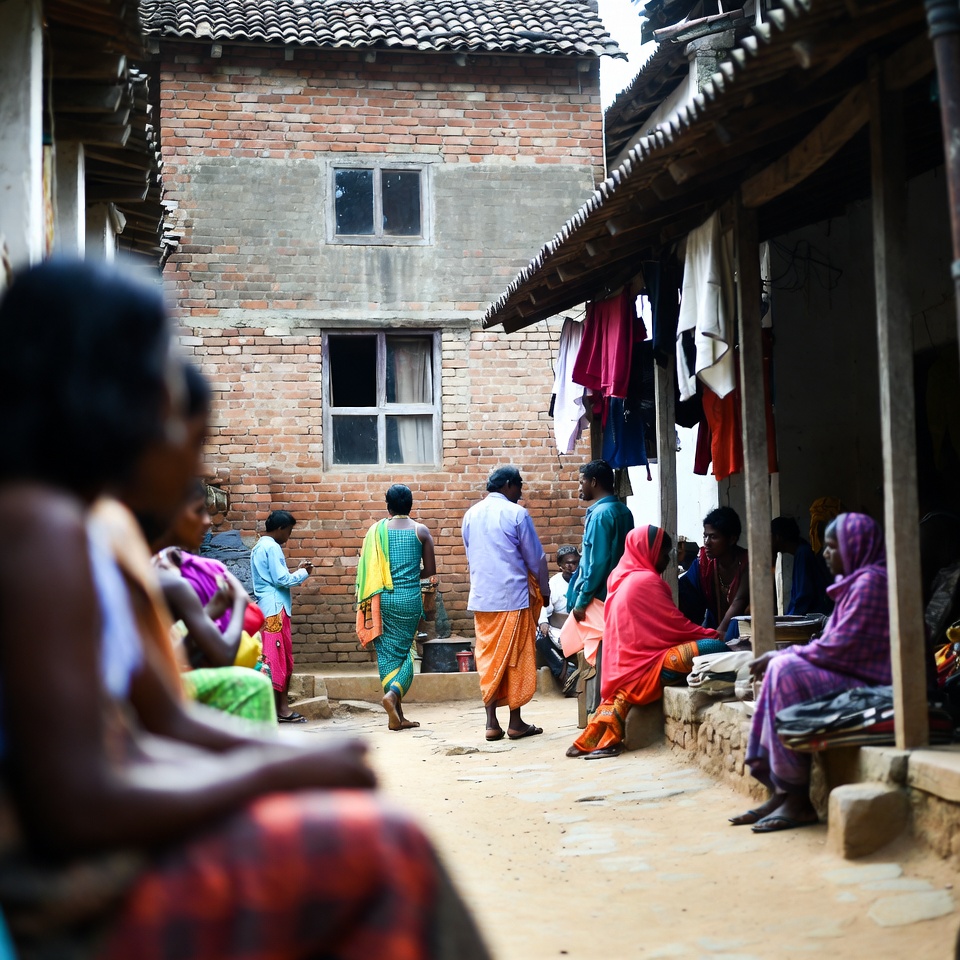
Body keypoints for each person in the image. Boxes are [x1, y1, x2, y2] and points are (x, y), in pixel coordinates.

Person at [0, 260, 489, 959]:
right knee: (391, 850)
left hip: (91, 854)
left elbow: (145, 731)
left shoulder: (69, 525)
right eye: (164, 401)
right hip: (64, 898)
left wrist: (290, 755)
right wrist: (277, 771)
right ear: (103, 394)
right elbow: (77, 802)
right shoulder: (40, 529)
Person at [732, 513, 891, 833]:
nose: (826, 554)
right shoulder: (856, 584)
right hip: (855, 675)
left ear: (856, 547)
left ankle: (798, 799)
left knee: (785, 670)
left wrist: (790, 653)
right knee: (781, 667)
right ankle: (784, 792)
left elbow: (840, 647)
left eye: (834, 547)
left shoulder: (872, 583)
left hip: (878, 684)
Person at [566, 525, 727, 758]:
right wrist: (713, 635)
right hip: (644, 668)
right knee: (715, 649)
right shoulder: (647, 581)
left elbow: (658, 631)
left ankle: (605, 729)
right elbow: (676, 627)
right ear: (650, 551)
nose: (667, 560)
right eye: (664, 553)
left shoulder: (619, 578)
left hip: (620, 670)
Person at [152, 478, 275, 723]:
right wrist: (237, 602)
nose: (208, 522)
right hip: (155, 681)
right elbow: (223, 653)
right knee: (254, 685)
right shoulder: (170, 578)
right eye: (199, 511)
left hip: (167, 670)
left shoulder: (179, 566)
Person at [462, 465, 550, 741]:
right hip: (513, 597)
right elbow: (536, 559)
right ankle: (515, 722)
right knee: (515, 659)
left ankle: (491, 723)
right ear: (509, 485)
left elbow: (470, 554)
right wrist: (544, 589)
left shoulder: (470, 515)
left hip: (482, 599)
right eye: (520, 485)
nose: (521, 492)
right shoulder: (517, 514)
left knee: (488, 659)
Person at [356, 483, 437, 731]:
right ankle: (392, 699)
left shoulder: (375, 531)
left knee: (387, 655)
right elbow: (430, 572)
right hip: (409, 600)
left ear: (388, 506)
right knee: (408, 655)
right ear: (410, 505)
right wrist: (410, 573)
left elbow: (367, 568)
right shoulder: (420, 531)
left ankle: (398, 716)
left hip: (380, 599)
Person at [250, 508, 313, 722]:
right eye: (289, 531)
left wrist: (294, 572)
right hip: (275, 610)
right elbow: (282, 580)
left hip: (270, 608)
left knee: (274, 659)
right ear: (280, 529)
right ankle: (282, 710)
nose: (289, 536)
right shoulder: (272, 547)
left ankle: (276, 708)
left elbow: (276, 577)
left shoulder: (259, 546)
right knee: (277, 661)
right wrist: (304, 573)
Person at [567, 459, 634, 622]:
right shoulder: (624, 511)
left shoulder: (600, 516)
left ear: (594, 482)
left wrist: (582, 602)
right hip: (619, 593)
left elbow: (597, 563)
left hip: (598, 600)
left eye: (582, 482)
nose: (579, 487)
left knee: (597, 646)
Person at [680, 506, 749, 641]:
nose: (707, 543)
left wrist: (720, 633)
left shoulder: (748, 562)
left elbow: (739, 601)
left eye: (713, 537)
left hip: (745, 633)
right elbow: (686, 592)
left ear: (732, 539)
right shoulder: (703, 563)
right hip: (714, 629)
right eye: (705, 536)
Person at [536, 545, 581, 695]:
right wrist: (543, 622)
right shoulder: (553, 583)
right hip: (559, 629)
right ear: (560, 565)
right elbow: (544, 607)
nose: (571, 566)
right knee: (539, 637)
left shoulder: (584, 579)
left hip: (581, 627)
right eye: (567, 563)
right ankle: (565, 672)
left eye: (574, 562)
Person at [771, 515, 833, 616]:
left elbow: (804, 596)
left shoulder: (803, 553)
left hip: (816, 615)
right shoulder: (801, 551)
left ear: (778, 537)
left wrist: (790, 621)